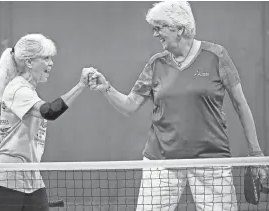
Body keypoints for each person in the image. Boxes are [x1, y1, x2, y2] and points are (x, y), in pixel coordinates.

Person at [87, 1, 267, 211]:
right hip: (161, 163)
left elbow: (240, 104)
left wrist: (255, 152)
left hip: (211, 161)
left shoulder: (216, 56)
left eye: (160, 27)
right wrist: (106, 88)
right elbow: (130, 105)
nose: (155, 34)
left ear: (180, 28)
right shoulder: (156, 63)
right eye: (154, 28)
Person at [0, 33, 94, 211]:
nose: (51, 63)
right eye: (45, 58)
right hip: (9, 177)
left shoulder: (29, 90)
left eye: (51, 58)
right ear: (29, 62)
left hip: (32, 176)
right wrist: (81, 85)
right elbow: (50, 111)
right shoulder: (17, 88)